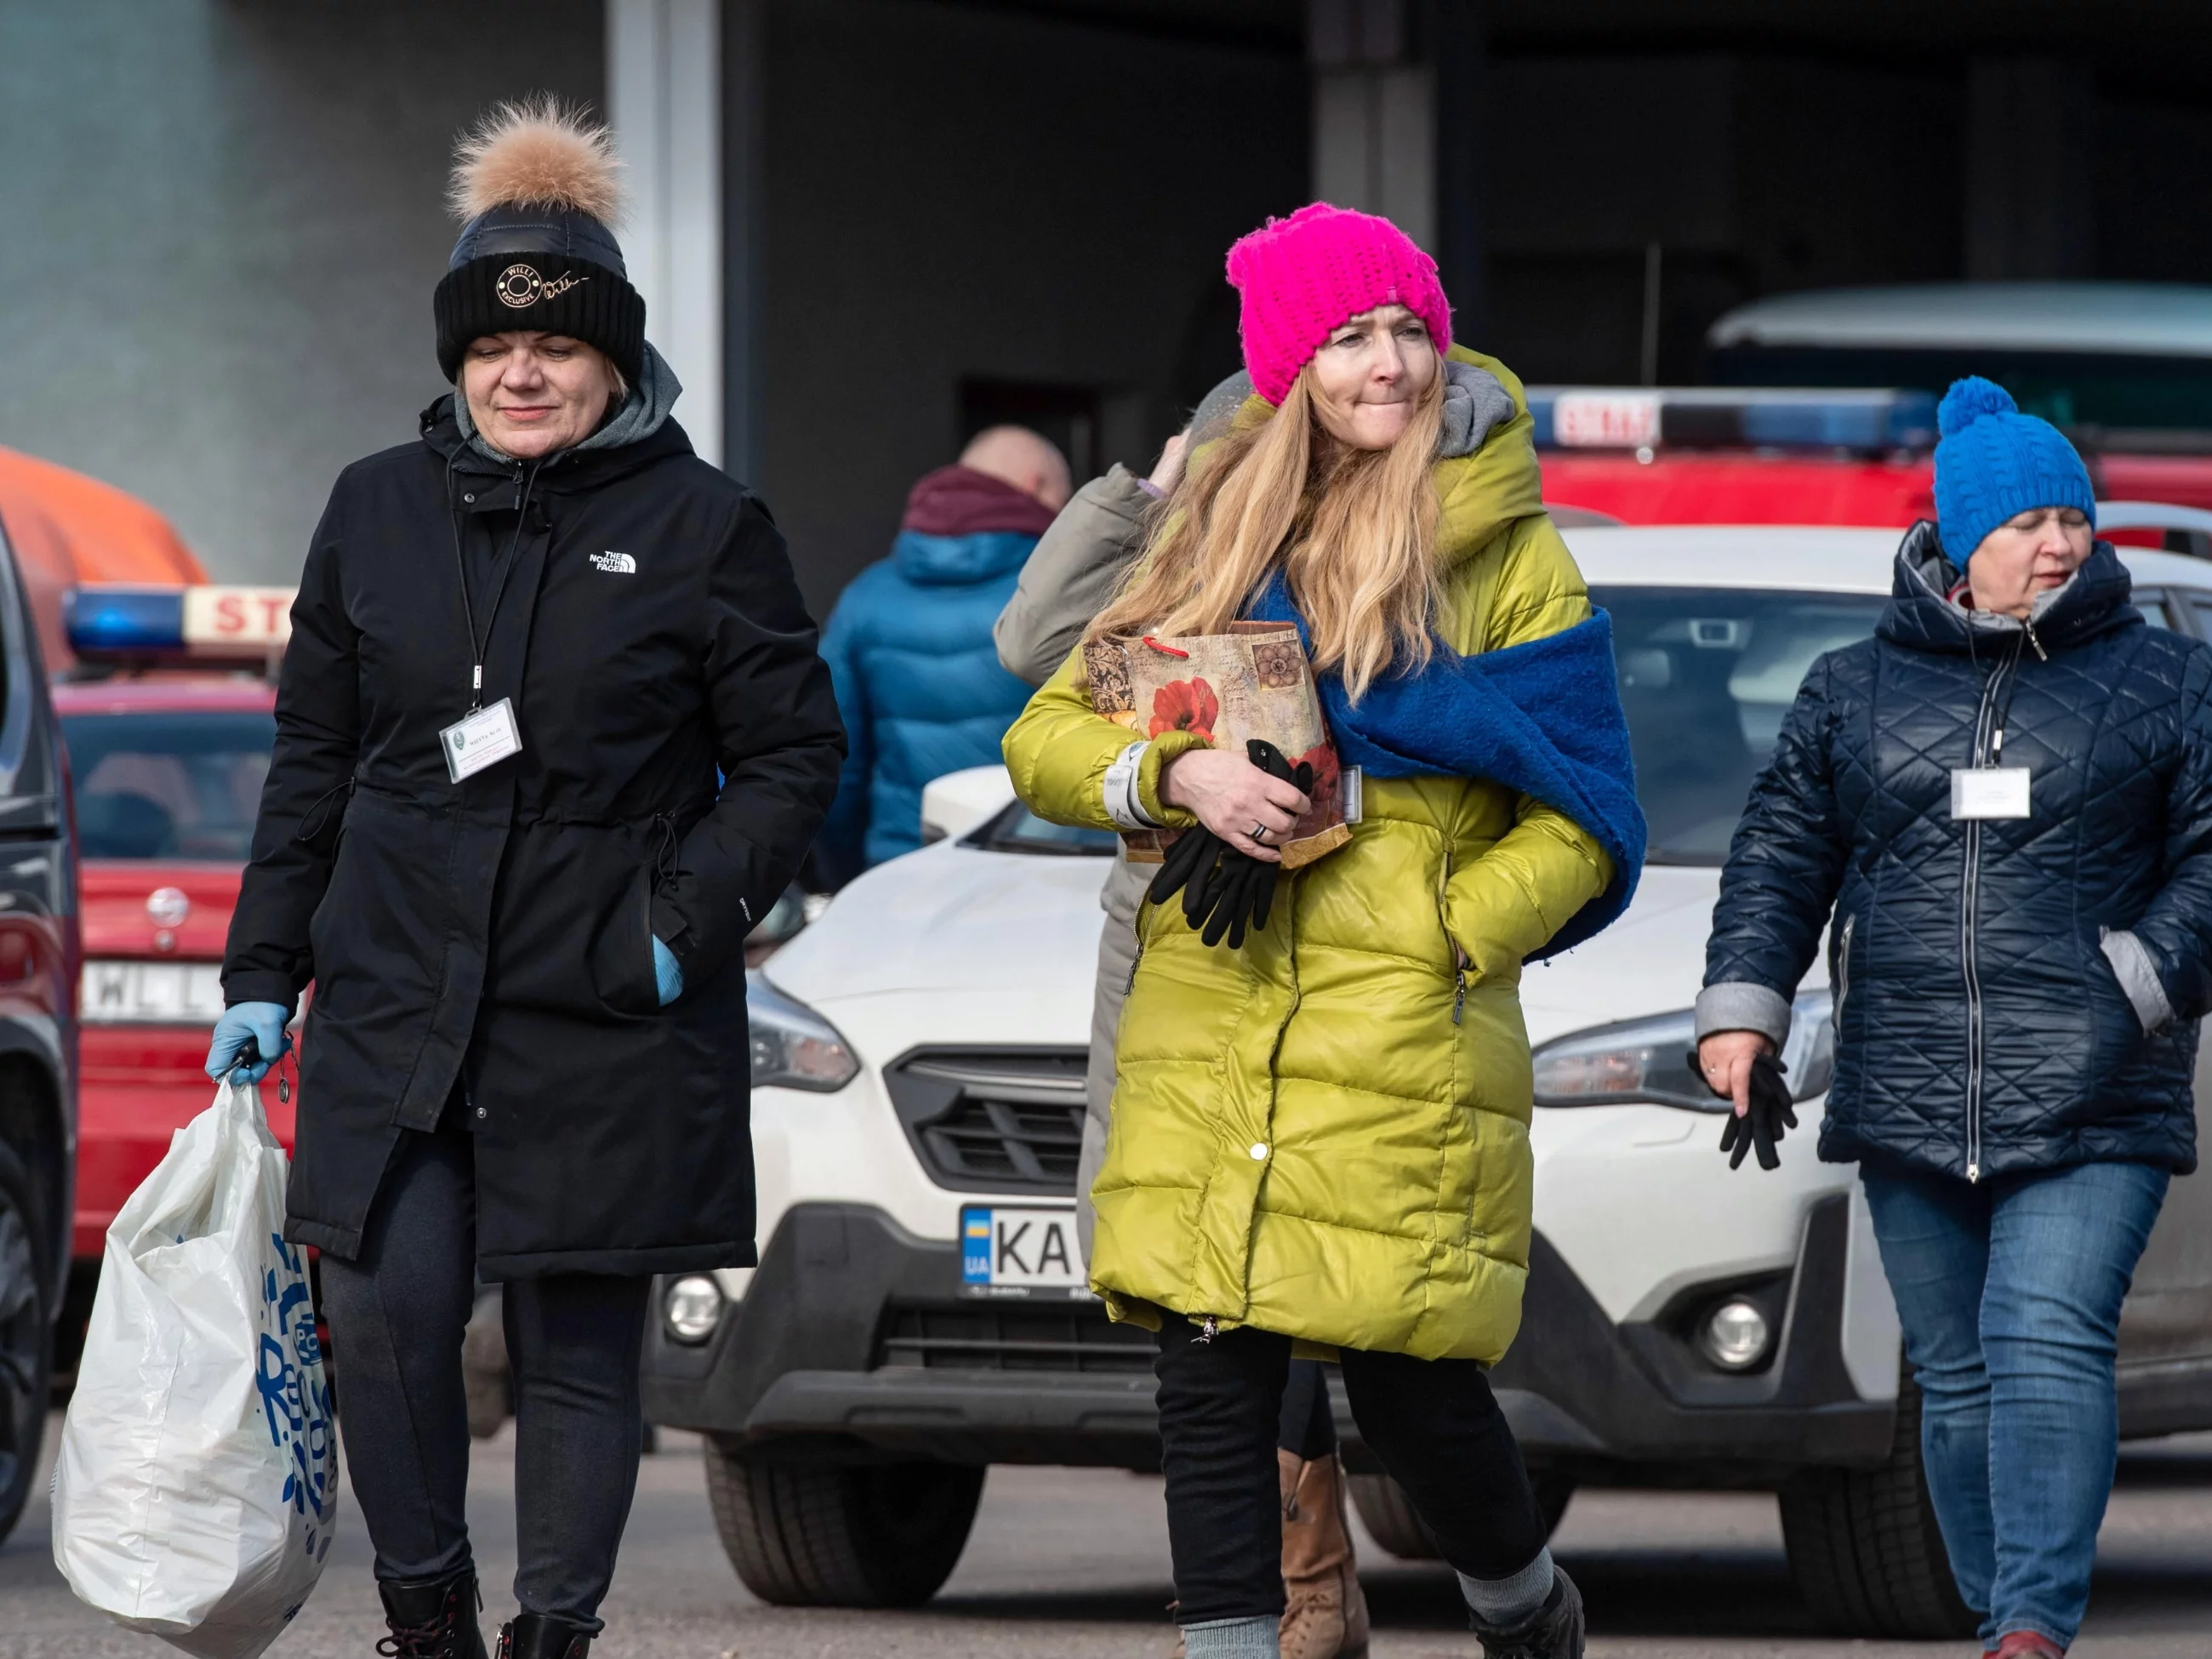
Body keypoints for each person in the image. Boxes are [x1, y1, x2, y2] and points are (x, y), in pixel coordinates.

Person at [208, 100, 844, 1659]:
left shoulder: (708, 528)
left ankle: (555, 1634)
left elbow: (790, 760)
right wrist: (257, 971)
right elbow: (313, 760)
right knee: (384, 1317)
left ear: (613, 360)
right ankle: (427, 1621)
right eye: (492, 345)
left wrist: (676, 937)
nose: (522, 371)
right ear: (457, 356)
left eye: (556, 348)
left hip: (604, 1000)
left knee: (576, 1350)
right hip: (398, 991)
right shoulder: (375, 508)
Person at [1003, 202, 1645, 1659]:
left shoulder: (1507, 556)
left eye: (1410, 329)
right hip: (1214, 1001)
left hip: (1397, 1019)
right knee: (1209, 1368)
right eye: (1351, 336)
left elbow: (1591, 812)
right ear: (1291, 369)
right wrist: (1180, 771)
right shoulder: (1213, 544)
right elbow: (1047, 725)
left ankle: (1523, 1608)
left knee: (1407, 1373)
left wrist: (1449, 928)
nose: (1392, 364)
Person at [1696, 379, 2212, 1659]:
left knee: (2041, 1329)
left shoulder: (2172, 677)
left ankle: (2033, 1622)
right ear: (1959, 538)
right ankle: (2003, 1613)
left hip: (2100, 1077)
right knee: (1958, 1370)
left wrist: (2140, 978)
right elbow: (1777, 857)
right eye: (2030, 520)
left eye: (2073, 519)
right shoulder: (1849, 688)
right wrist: (1741, 1015)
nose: (2060, 543)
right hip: (1912, 1075)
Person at [996, 379, 1374, 1659]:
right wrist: (1149, 493)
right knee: (1177, 1248)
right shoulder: (1181, 537)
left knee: (1292, 1246)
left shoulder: (1369, 537)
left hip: (1331, 918)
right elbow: (1033, 641)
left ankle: (1315, 1575)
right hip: (1165, 910)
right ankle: (1285, 1570)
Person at [812, 426, 1069, 881]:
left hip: (905, 870)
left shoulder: (866, 596)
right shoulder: (1069, 591)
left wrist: (848, 876)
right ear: (1036, 486)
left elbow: (833, 761)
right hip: (1042, 869)